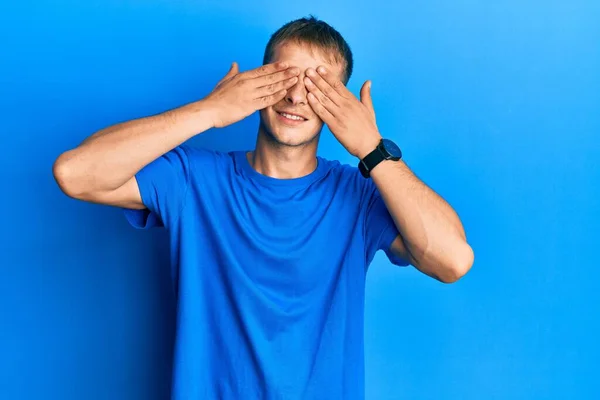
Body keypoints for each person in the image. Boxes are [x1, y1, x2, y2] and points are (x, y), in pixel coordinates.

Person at [53, 15, 473, 400]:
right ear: (257, 82)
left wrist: (372, 149)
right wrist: (209, 111)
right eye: (283, 77)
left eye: (315, 86)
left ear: (339, 103)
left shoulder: (358, 197)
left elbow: (452, 260)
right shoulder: (193, 180)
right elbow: (75, 173)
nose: (294, 96)